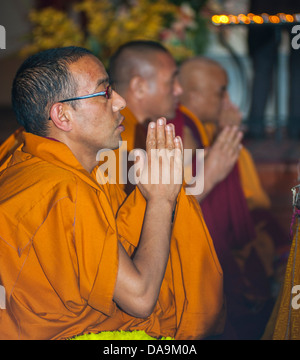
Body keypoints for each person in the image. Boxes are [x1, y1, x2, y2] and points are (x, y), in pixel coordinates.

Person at [0, 46, 224, 340]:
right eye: (104, 93)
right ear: (63, 115)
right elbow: (141, 299)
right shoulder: (65, 190)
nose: (120, 102)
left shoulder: (20, 158)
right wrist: (160, 199)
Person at [172, 56, 288, 339]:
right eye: (221, 91)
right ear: (194, 94)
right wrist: (228, 135)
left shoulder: (202, 124)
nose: (227, 100)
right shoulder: (180, 128)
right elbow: (189, 194)